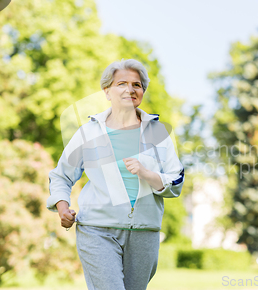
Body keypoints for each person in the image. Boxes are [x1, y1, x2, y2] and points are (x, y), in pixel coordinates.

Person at [46, 59, 184, 290]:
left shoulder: (158, 132)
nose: (130, 89)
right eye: (121, 83)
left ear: (142, 92)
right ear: (107, 91)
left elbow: (176, 180)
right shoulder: (88, 132)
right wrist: (62, 208)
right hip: (97, 229)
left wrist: (147, 174)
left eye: (137, 85)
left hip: (144, 232)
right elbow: (61, 176)